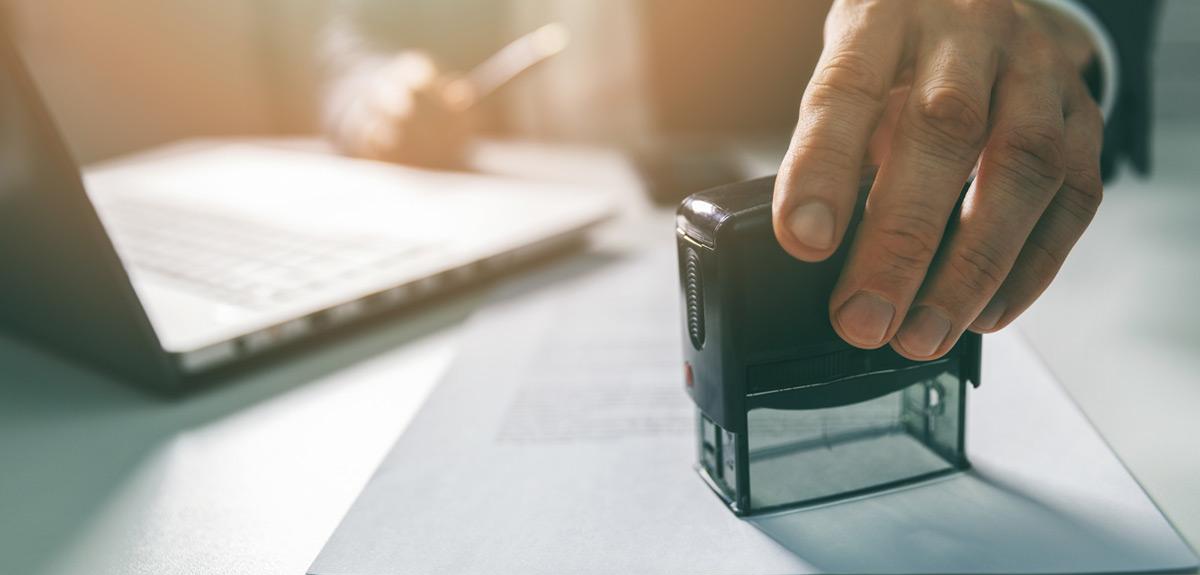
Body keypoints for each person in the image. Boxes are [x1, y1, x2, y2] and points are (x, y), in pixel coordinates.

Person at [324, 0, 1161, 360]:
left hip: (788, 198)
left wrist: (1048, 17)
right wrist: (367, 85)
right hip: (497, 210)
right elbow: (351, 27)